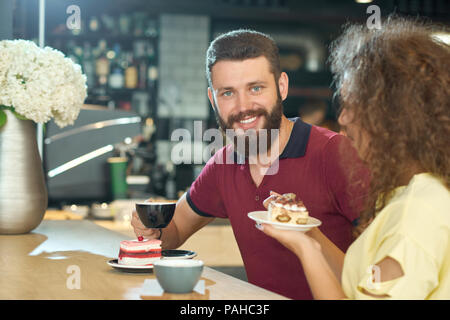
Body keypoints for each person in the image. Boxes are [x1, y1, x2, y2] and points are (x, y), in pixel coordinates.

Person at [131, 29, 369, 299]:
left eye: (256, 88)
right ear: (213, 99)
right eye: (228, 93)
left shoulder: (335, 154)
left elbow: (383, 268)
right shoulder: (223, 164)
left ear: (281, 86)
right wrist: (152, 230)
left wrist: (308, 237)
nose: (243, 106)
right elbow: (174, 231)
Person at [259, 17, 450, 299]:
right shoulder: (421, 192)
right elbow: (358, 286)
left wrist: (306, 250)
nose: (343, 118)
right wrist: (306, 233)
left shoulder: (417, 212)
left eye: (353, 105)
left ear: (395, 118)